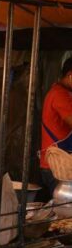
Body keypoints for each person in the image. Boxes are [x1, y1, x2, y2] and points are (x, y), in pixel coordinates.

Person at [40, 58, 72, 196]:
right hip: (56, 167)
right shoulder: (60, 95)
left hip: (59, 165)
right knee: (64, 209)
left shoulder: (60, 92)